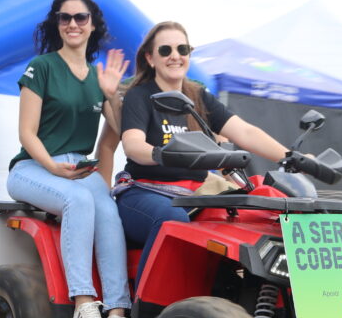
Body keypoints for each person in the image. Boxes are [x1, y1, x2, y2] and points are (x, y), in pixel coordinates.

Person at [5, 0, 133, 318]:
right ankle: (83, 303)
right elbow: (26, 133)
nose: (72, 23)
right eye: (65, 17)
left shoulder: (98, 77)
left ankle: (117, 314)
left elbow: (122, 132)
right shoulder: (42, 67)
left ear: (92, 25)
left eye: (80, 17)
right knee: (78, 199)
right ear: (57, 24)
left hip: (78, 168)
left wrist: (111, 94)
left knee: (108, 208)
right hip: (34, 166)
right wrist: (52, 167)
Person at [115, 21, 291, 282]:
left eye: (182, 49)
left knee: (265, 210)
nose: (175, 56)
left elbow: (245, 132)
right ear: (150, 58)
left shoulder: (198, 97)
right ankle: (146, 305)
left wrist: (291, 157)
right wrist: (165, 154)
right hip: (145, 192)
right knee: (171, 218)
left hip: (194, 195)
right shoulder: (139, 96)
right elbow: (133, 144)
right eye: (165, 50)